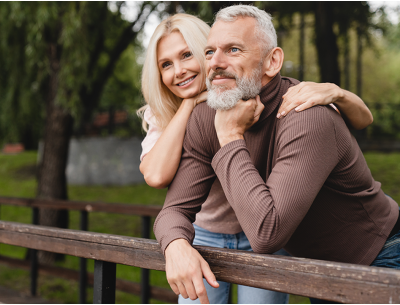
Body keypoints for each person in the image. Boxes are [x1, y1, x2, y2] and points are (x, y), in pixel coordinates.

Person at [153, 5, 400, 305]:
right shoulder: (206, 118)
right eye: (209, 52)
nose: (215, 63)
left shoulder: (307, 117)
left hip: (380, 258)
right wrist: (175, 245)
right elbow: (173, 209)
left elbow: (266, 234)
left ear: (272, 61)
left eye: (233, 49)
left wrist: (230, 137)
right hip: (320, 271)